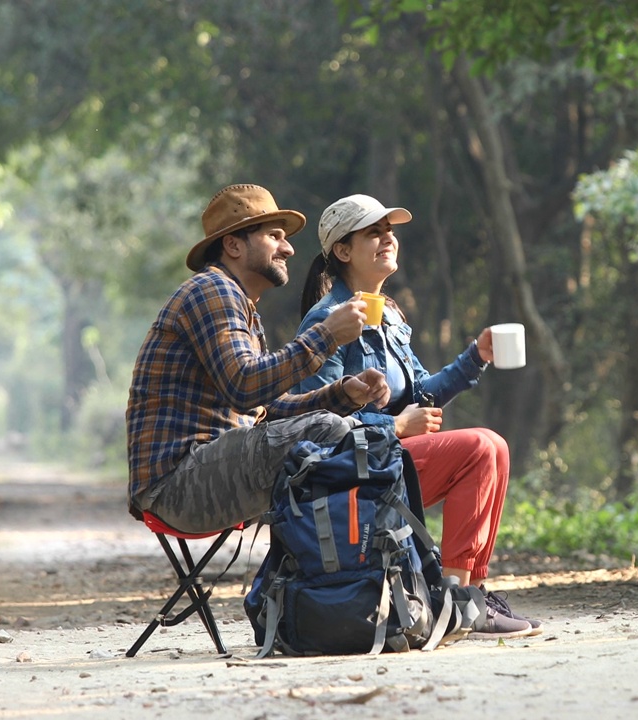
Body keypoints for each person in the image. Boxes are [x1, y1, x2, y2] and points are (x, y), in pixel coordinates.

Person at [294, 193, 540, 638]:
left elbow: (422, 391)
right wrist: (394, 426)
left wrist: (475, 358)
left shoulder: (387, 315)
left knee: (494, 448)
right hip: (354, 476)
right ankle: (452, 601)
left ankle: (471, 595)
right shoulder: (327, 320)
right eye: (374, 232)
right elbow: (315, 425)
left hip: (392, 464)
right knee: (482, 446)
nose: (388, 238)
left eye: (390, 230)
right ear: (343, 251)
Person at [126, 184, 391, 534]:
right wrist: (327, 335)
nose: (289, 248)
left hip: (199, 477)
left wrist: (344, 395)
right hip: (176, 487)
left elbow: (267, 407)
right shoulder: (213, 290)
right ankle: (335, 575)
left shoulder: (241, 304)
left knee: (348, 431)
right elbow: (244, 386)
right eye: (275, 236)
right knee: (333, 432)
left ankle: (347, 572)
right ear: (233, 244)